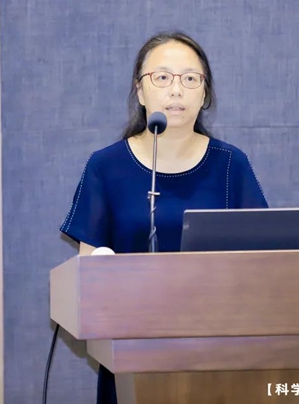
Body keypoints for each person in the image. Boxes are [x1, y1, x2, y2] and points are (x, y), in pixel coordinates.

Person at [59, 31, 269, 404]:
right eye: (162, 77)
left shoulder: (230, 165)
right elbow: (88, 276)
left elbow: (266, 262)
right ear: (140, 92)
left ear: (204, 94)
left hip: (218, 354)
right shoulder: (106, 166)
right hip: (131, 353)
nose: (176, 90)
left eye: (190, 79)